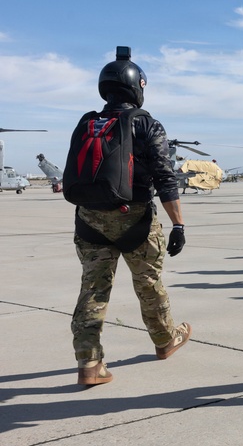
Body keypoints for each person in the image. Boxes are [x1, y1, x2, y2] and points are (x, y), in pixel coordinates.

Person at [68, 46, 191, 386]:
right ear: (138, 87)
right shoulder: (146, 124)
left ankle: (89, 364)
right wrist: (178, 223)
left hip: (89, 220)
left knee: (92, 291)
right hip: (135, 219)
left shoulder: (88, 123)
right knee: (149, 284)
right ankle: (165, 341)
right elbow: (166, 177)